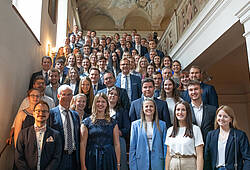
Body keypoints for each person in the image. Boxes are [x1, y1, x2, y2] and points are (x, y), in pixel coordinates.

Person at [15, 101, 62, 170]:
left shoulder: (56, 135)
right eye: (38, 111)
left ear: (48, 114)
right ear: (33, 113)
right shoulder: (23, 133)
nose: (41, 113)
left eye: (44, 111)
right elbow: (19, 157)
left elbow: (56, 157)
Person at [80, 93, 121, 170]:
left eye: (103, 101)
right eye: (98, 101)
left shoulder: (113, 123)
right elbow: (83, 144)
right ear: (94, 104)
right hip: (92, 157)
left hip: (109, 158)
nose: (100, 104)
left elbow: (117, 144)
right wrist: (83, 165)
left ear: (106, 104)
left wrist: (118, 164)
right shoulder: (86, 122)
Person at [204, 105, 250, 170]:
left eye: (225, 116)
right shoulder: (211, 135)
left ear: (230, 119)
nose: (221, 119)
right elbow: (207, 158)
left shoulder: (239, 135)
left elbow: (248, 158)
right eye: (219, 116)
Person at [165, 101, 204, 170]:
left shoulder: (195, 129)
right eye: (178, 110)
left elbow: (200, 155)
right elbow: (168, 155)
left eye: (183, 110)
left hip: (189, 164)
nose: (180, 112)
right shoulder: (170, 130)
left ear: (188, 112)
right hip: (173, 164)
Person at [129, 98, 167, 170]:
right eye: (146, 106)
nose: (149, 108)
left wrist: (166, 166)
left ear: (155, 109)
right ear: (142, 109)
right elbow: (132, 148)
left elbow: (165, 147)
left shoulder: (162, 125)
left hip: (158, 162)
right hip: (141, 161)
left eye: (151, 106)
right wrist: (133, 167)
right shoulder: (135, 125)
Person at [49, 85, 81, 169]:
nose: (67, 97)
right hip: (59, 157)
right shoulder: (51, 113)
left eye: (69, 94)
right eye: (64, 94)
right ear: (58, 96)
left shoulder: (75, 115)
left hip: (74, 157)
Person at [108, 87, 130, 170]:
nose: (113, 96)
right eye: (111, 94)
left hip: (119, 139)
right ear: (107, 95)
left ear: (118, 98)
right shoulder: (102, 109)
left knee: (121, 164)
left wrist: (118, 132)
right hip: (105, 140)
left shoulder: (123, 111)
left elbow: (127, 128)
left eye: (115, 94)